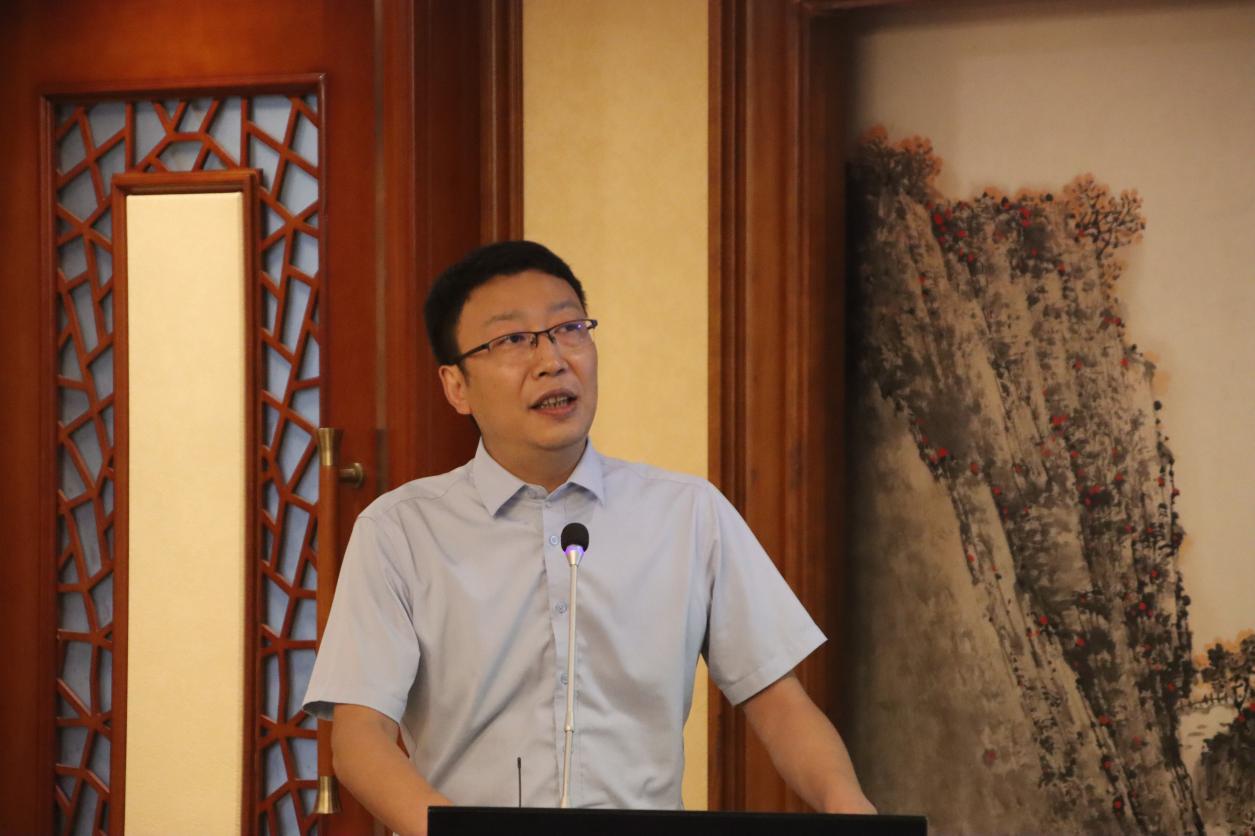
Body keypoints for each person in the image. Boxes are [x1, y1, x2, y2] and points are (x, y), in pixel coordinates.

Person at [303, 241, 874, 835]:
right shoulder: (400, 531)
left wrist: (852, 810)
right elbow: (361, 739)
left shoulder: (686, 513)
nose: (552, 360)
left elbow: (779, 703)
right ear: (456, 386)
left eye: (569, 329)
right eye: (513, 340)